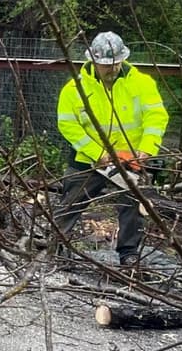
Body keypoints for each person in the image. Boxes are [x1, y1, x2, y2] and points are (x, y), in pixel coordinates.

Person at [54, 31, 169, 268]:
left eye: (116, 63)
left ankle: (129, 253)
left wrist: (146, 149)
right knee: (71, 202)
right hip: (88, 159)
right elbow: (68, 124)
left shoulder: (142, 84)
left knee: (133, 206)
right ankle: (56, 244)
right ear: (93, 61)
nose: (112, 68)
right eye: (106, 65)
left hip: (129, 160)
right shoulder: (74, 89)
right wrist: (99, 153)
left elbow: (156, 117)